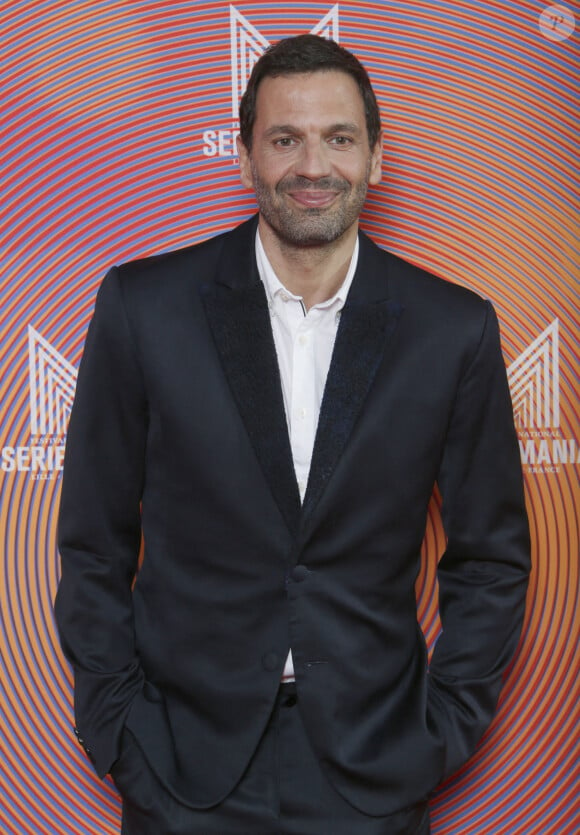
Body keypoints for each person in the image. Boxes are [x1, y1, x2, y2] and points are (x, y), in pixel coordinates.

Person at [55, 34, 530, 835]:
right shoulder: (145, 309)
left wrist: (439, 729)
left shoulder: (453, 330)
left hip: (371, 774)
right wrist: (119, 726)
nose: (314, 166)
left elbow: (492, 557)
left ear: (375, 158)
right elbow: (93, 542)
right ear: (246, 157)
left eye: (339, 138)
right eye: (285, 139)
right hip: (179, 768)